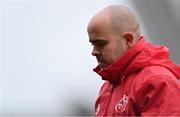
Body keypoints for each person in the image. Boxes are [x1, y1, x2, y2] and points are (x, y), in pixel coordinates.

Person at [87, 4, 180, 116]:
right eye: (93, 44)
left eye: (101, 44)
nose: (94, 52)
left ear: (128, 40)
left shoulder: (157, 81)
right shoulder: (108, 87)